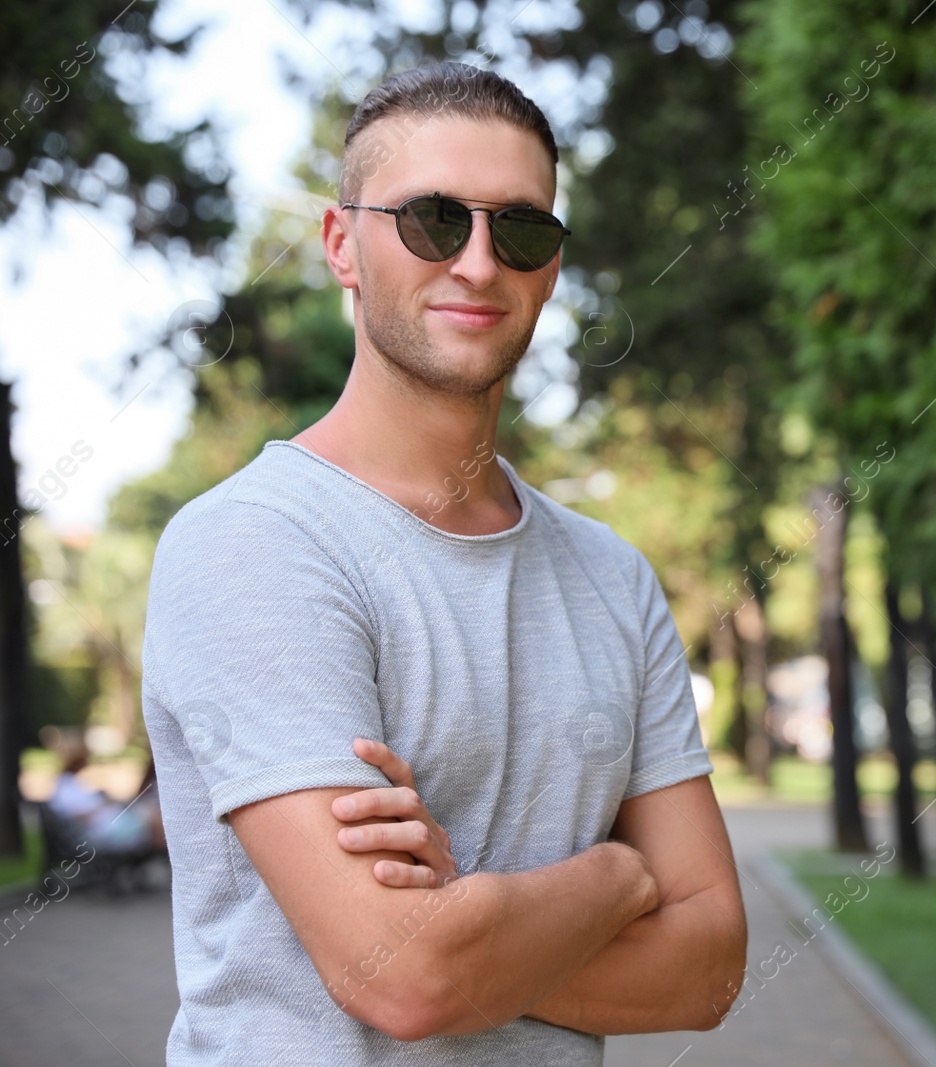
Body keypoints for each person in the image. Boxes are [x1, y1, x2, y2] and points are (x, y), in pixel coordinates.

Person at [141, 61, 746, 1066]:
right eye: (431, 220)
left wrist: (467, 927)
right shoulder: (251, 542)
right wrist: (617, 881)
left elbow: (713, 969)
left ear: (551, 266)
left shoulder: (612, 575)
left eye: (520, 229)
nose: (477, 263)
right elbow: (403, 974)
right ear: (342, 244)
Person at [44, 732, 164, 857]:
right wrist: (102, 805)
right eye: (84, 759)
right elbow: (76, 816)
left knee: (151, 814)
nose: (86, 763)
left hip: (110, 823)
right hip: (102, 830)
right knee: (153, 819)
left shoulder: (70, 783)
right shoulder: (65, 787)